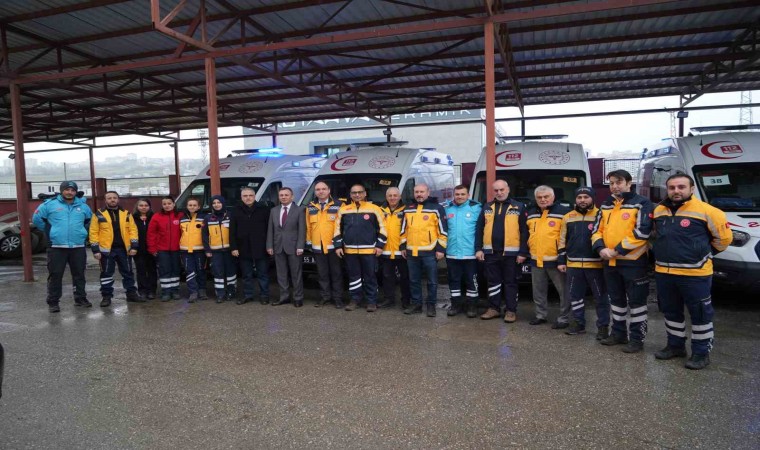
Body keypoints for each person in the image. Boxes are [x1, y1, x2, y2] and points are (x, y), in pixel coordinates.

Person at [652, 174, 731, 370]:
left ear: (692, 189)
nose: (676, 191)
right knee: (671, 311)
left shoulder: (709, 211)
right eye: (672, 187)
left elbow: (723, 239)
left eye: (681, 187)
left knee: (700, 314)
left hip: (695, 274)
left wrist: (703, 255)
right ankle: (675, 346)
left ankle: (701, 353)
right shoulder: (659, 210)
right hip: (664, 273)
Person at [592, 169, 654, 353]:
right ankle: (618, 334)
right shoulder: (606, 204)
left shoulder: (642, 203)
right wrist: (601, 249)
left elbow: (642, 232)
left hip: (633, 263)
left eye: (618, 182)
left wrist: (616, 250)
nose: (614, 186)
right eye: (611, 183)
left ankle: (637, 339)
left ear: (629, 183)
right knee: (616, 301)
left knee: (637, 303)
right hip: (610, 263)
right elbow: (596, 230)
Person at [558, 187, 610, 339]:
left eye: (586, 197)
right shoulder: (568, 217)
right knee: (575, 297)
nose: (582, 200)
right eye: (579, 197)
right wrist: (561, 260)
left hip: (596, 265)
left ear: (593, 198)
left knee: (600, 297)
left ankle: (603, 327)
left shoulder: (602, 214)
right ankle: (578, 324)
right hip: (573, 264)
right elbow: (562, 240)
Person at [33, 181, 93, 313]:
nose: (69, 192)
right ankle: (53, 302)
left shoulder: (83, 206)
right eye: (67, 190)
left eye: (72, 190)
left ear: (75, 192)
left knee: (79, 274)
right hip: (57, 246)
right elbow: (37, 219)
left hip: (78, 246)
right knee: (55, 275)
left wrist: (82, 232)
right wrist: (50, 232)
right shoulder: (49, 204)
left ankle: (80, 298)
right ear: (62, 191)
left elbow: (89, 222)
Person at [475, 179, 528, 322]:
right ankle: (493, 309)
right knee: (493, 282)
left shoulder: (519, 206)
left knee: (511, 282)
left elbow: (524, 231)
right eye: (496, 190)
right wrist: (478, 249)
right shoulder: (487, 206)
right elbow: (479, 229)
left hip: (512, 254)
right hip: (491, 253)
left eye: (502, 189)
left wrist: (523, 252)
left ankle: (511, 311)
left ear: (508, 189)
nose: (499, 193)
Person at [334, 183, 386, 312]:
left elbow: (384, 228)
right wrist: (338, 246)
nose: (357, 195)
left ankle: (371, 301)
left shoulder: (375, 209)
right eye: (354, 193)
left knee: (370, 276)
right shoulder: (343, 210)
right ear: (350, 195)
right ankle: (355, 300)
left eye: (360, 192)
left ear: (365, 193)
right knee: (354, 277)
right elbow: (337, 229)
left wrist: (380, 245)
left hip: (369, 250)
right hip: (350, 250)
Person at [526, 185, 571, 328]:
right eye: (539, 197)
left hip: (556, 260)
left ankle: (564, 318)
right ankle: (540, 315)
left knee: (564, 292)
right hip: (536, 259)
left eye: (546, 197)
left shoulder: (564, 213)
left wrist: (563, 258)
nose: (543, 199)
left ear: (553, 197)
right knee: (538, 291)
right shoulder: (531, 213)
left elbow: (568, 237)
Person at [400, 183, 447, 317]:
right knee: (414, 280)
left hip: (430, 252)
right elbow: (403, 230)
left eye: (421, 192)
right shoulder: (408, 208)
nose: (419, 194)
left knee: (432, 281)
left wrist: (440, 249)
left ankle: (431, 305)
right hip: (411, 252)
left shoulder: (437, 208)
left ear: (428, 192)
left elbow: (443, 231)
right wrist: (403, 246)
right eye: (417, 192)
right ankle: (416, 304)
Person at [89, 191, 140, 307]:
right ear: (105, 200)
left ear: (118, 199)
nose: (112, 200)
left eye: (114, 198)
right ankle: (106, 297)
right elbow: (93, 233)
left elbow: (133, 230)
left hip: (124, 250)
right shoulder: (98, 214)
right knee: (106, 274)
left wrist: (134, 246)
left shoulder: (126, 214)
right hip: (106, 251)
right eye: (109, 198)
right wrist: (95, 250)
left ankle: (131, 294)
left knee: (128, 272)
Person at [305, 182, 344, 308]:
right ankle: (325, 297)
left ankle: (337, 298)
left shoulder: (339, 205)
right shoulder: (310, 206)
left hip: (334, 247)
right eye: (318, 189)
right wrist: (309, 243)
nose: (320, 191)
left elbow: (342, 226)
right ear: (315, 192)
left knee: (336, 274)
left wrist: (340, 244)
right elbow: (308, 227)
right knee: (322, 274)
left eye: (323, 189)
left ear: (329, 190)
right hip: (317, 247)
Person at [444, 185, 481, 318]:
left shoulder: (476, 208)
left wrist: (479, 249)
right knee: (454, 280)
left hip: (470, 253)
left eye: (462, 194)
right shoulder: (447, 209)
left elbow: (481, 230)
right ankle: (456, 305)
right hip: (452, 252)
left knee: (471, 281)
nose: (459, 196)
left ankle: (472, 306)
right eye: (457, 194)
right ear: (454, 195)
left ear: (468, 195)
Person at [230, 187, 271, 305]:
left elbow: (269, 229)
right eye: (245, 196)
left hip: (261, 247)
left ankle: (264, 295)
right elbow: (232, 231)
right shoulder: (236, 210)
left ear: (254, 196)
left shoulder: (264, 209)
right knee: (246, 275)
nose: (248, 198)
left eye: (250, 195)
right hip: (243, 247)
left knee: (262, 274)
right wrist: (234, 247)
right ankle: (248, 295)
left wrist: (269, 246)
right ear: (241, 197)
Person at [266, 187, 306, 307]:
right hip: (278, 246)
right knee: (281, 274)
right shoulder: (274, 210)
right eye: (281, 195)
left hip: (294, 247)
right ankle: (284, 297)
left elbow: (302, 230)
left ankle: (298, 297)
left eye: (286, 195)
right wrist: (269, 245)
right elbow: (270, 229)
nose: (283, 197)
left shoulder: (299, 210)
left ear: (292, 197)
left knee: (296, 274)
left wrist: (300, 246)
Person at [379, 187, 410, 310]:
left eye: (395, 195)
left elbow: (409, 230)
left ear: (400, 197)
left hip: (402, 251)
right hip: (385, 250)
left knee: (405, 277)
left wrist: (405, 246)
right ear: (386, 197)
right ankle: (389, 299)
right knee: (387, 277)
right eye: (390, 196)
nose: (392, 198)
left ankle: (406, 300)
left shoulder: (407, 210)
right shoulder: (380, 210)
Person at [147, 196, 183, 301]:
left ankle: (175, 291)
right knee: (164, 270)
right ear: (162, 205)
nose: (167, 206)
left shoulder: (180, 216)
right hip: (162, 250)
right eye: (164, 204)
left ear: (174, 204)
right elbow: (151, 234)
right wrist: (152, 249)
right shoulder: (156, 217)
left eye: (169, 203)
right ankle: (166, 292)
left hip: (177, 249)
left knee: (176, 270)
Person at [203, 195, 236, 303]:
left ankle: (231, 292)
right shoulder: (208, 218)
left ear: (223, 203)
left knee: (231, 272)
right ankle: (220, 294)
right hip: (215, 252)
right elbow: (205, 235)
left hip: (229, 250)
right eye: (214, 203)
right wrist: (207, 250)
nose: (216, 205)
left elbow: (235, 233)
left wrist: (235, 248)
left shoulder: (230, 216)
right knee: (218, 273)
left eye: (219, 202)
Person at [179, 197, 207, 302]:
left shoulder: (204, 218)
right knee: (189, 271)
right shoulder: (182, 218)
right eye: (190, 205)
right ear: (187, 206)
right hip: (185, 250)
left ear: (199, 207)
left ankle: (202, 290)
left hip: (200, 250)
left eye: (194, 205)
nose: (192, 207)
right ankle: (193, 292)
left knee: (201, 270)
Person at [133, 199, 158, 299]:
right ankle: (142, 291)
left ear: (149, 207)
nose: (143, 207)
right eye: (141, 205)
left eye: (146, 205)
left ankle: (152, 291)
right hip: (138, 249)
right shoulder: (132, 218)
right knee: (141, 270)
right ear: (137, 207)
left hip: (152, 249)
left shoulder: (154, 217)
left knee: (152, 270)